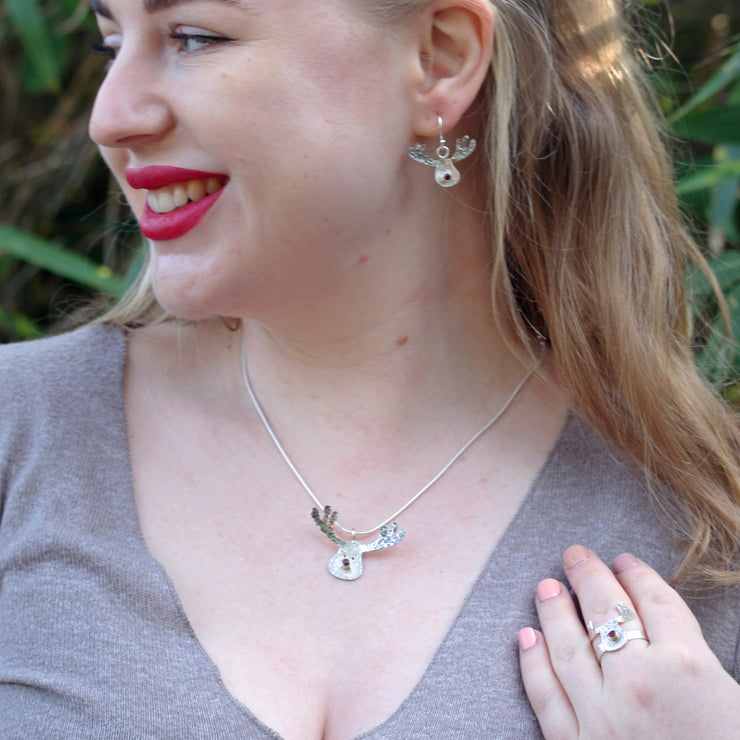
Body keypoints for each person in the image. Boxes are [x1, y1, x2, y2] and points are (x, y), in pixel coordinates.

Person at [0, 0, 738, 737]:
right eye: (110, 44)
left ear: (440, 60)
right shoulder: (21, 434)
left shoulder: (708, 527)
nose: (111, 117)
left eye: (194, 37)